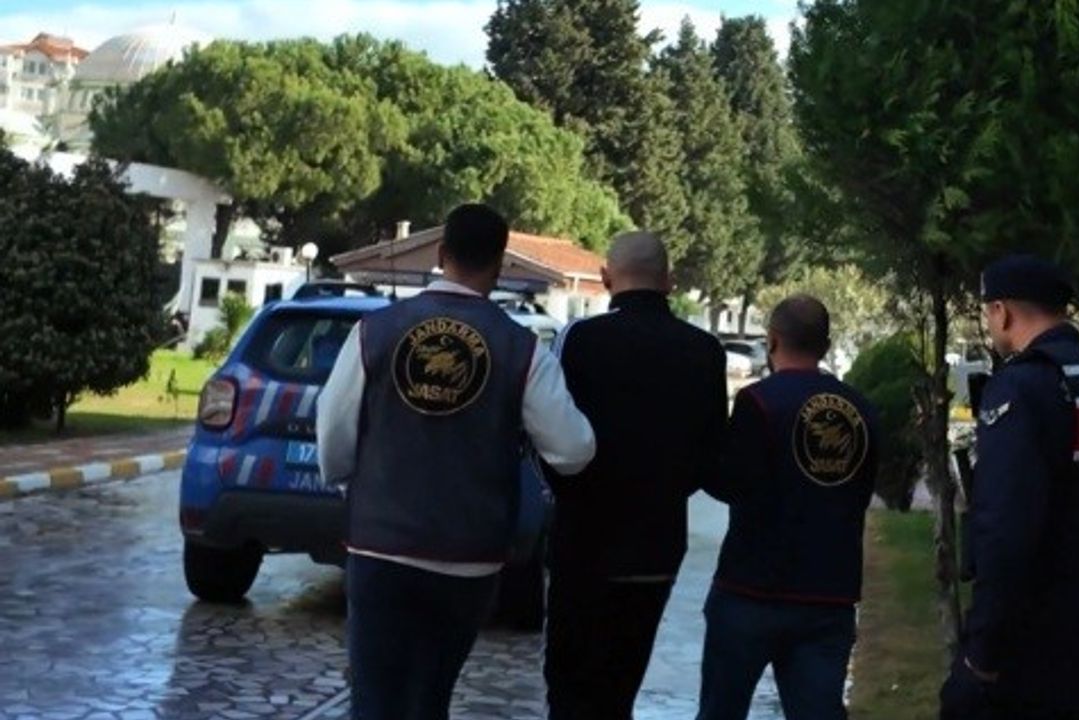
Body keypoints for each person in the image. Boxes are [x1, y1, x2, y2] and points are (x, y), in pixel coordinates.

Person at [316, 203, 596, 720]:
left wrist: (344, 480)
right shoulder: (522, 349)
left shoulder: (375, 331)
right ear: (501, 264)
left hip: (381, 544)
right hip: (469, 554)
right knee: (430, 698)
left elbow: (333, 428)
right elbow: (573, 450)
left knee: (374, 698)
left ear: (441, 253)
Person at [940, 255, 1079, 720]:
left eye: (988, 312)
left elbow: (1005, 530)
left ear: (1002, 312)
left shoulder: (1022, 386)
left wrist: (982, 655)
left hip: (1026, 643)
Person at [543, 231, 727, 720]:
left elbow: (552, 431)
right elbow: (710, 455)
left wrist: (566, 493)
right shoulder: (704, 350)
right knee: (622, 682)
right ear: (670, 281)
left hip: (585, 540)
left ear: (606, 278)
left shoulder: (581, 340)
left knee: (571, 686)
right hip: (657, 544)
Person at [697, 295, 879, 720]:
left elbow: (736, 484)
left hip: (752, 588)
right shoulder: (860, 409)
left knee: (721, 710)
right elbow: (862, 491)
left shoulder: (759, 402)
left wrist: (698, 460)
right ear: (826, 346)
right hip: (828, 592)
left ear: (772, 340)